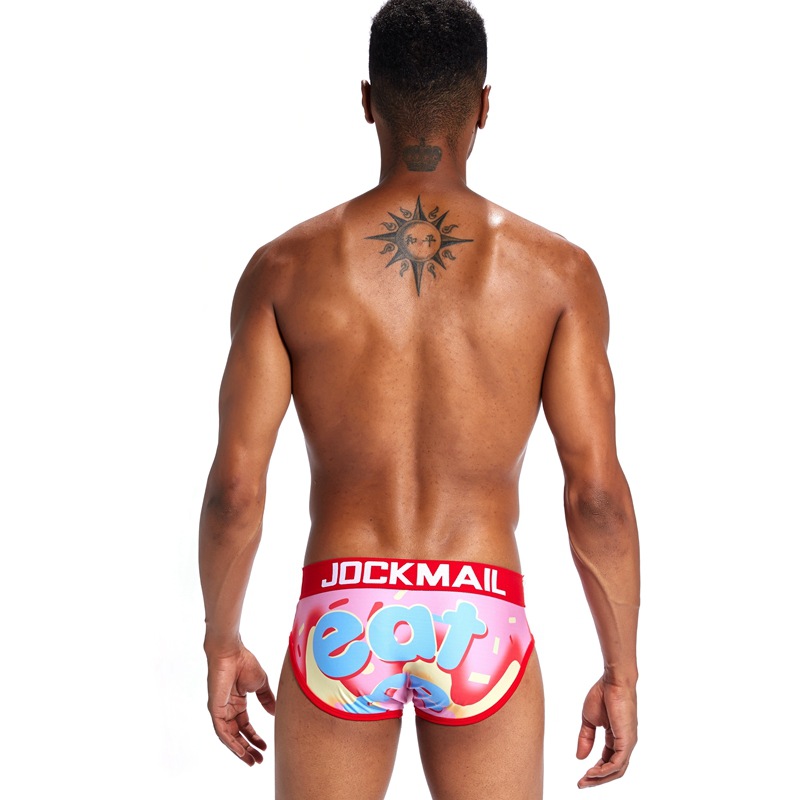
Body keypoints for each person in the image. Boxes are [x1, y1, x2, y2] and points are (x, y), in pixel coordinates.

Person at [199, 1, 639, 797]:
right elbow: (597, 497)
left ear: (368, 101)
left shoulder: (284, 270)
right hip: (480, 608)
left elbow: (236, 490)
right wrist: (622, 673)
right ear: (483, 106)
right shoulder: (556, 274)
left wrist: (221, 643)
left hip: (343, 611)